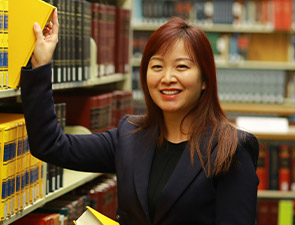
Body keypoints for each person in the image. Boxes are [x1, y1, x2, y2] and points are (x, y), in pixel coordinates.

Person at [20, 9, 259, 225]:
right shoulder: (130, 136)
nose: (167, 77)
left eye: (182, 67)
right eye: (157, 67)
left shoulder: (231, 149)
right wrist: (41, 66)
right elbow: (51, 146)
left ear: (205, 80)